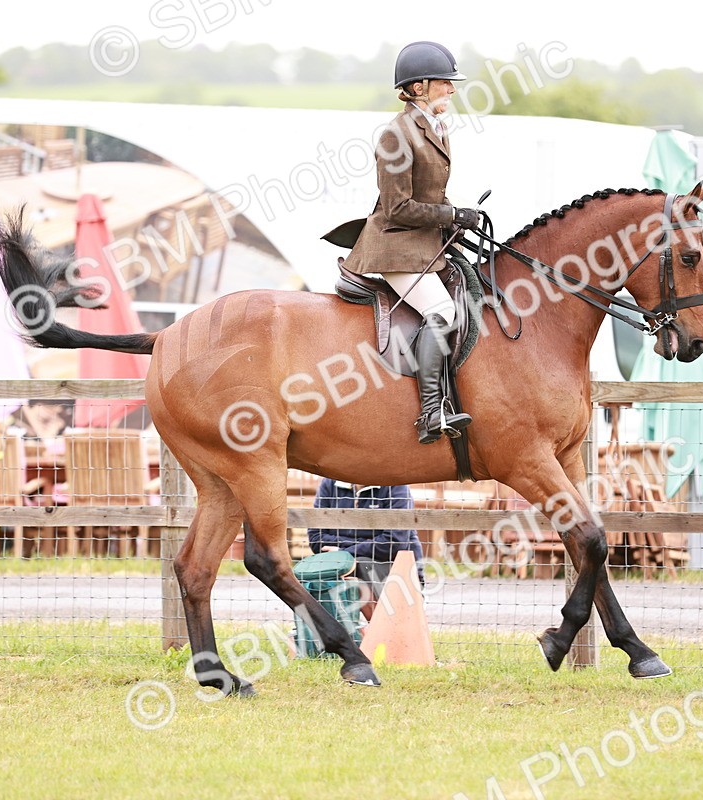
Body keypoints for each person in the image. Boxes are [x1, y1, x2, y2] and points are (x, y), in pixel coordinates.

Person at [342, 41, 477, 445]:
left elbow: (433, 195)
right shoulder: (396, 136)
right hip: (396, 246)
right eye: (445, 84)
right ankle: (432, 412)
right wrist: (452, 216)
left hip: (424, 243)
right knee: (441, 309)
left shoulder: (434, 127)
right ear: (418, 87)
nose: (452, 91)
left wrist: (459, 216)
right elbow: (398, 206)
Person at [306, 478, 425, 619]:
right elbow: (316, 539)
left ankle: (380, 628)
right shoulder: (330, 483)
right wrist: (362, 545)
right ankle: (326, 633)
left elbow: (394, 542)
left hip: (394, 570)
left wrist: (343, 552)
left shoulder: (396, 485)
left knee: (359, 565)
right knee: (312, 572)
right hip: (341, 565)